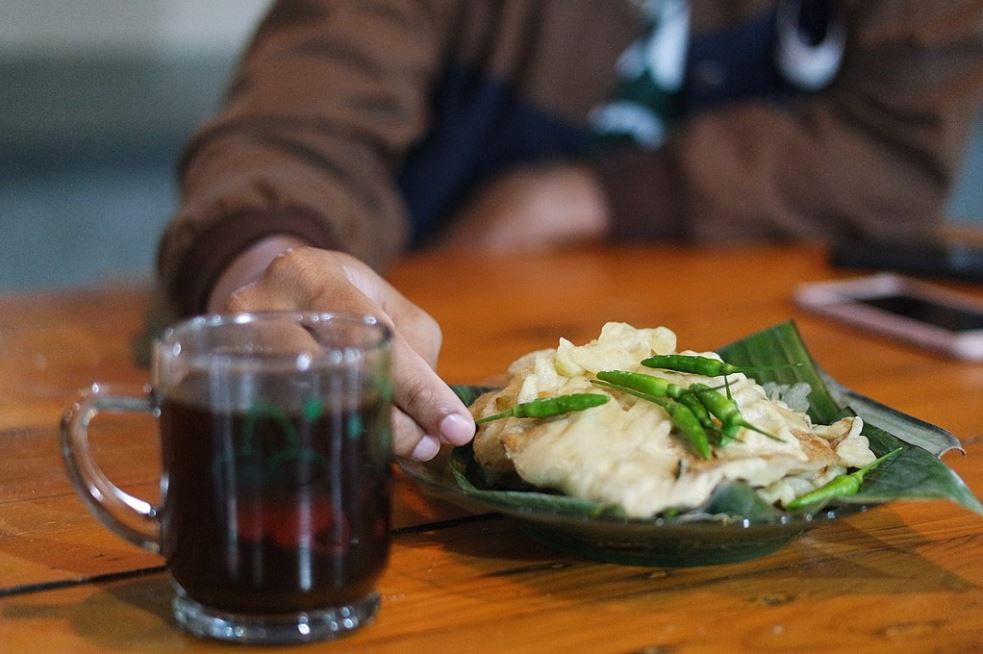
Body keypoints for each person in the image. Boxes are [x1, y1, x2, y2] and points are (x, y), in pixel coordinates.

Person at [156, 0, 983, 461]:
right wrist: (273, 272)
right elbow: (292, 127)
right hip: (431, 394)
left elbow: (893, 150)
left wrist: (578, 198)